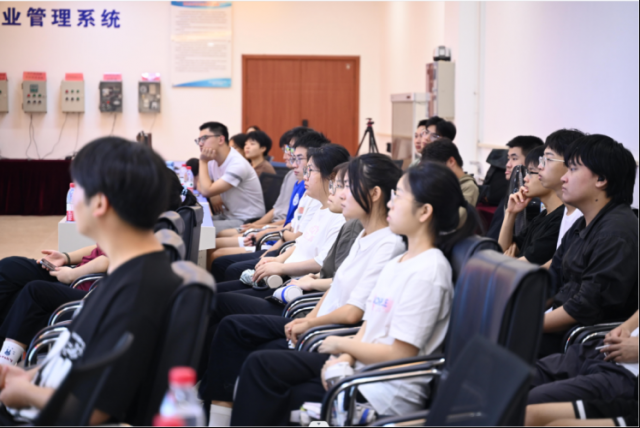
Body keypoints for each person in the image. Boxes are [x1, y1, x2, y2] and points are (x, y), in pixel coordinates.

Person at [226, 161, 478, 426]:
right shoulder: (399, 262)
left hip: (382, 394)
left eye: (399, 196)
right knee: (263, 368)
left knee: (269, 378)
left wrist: (341, 346)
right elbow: (368, 327)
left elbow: (400, 354)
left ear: (425, 211)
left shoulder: (429, 271)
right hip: (358, 373)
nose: (391, 203)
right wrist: (343, 359)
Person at [200, 154, 406, 426]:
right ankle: (213, 411)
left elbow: (355, 313)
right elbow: (336, 288)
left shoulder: (390, 245)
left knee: (251, 353)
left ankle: (215, 414)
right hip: (318, 321)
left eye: (346, 185)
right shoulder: (363, 235)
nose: (339, 193)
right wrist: (309, 319)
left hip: (331, 331)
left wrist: (313, 325)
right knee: (233, 330)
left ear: (375, 194)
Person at [0, 137, 182, 425]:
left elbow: (93, 410)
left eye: (78, 188)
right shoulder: (131, 271)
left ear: (99, 202)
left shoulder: (136, 292)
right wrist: (24, 377)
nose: (73, 196)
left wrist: (22, 392)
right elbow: (73, 356)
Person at [0, 168, 195, 367]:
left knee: (31, 292)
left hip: (86, 284)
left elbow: (109, 261)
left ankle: (5, 361)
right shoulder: (139, 218)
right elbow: (100, 248)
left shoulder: (149, 227)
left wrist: (72, 274)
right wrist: (65, 257)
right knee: (11, 267)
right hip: (79, 274)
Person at [540, 134, 638, 357]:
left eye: (573, 169)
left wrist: (525, 323)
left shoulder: (616, 233)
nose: (564, 178)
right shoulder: (582, 223)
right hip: (563, 330)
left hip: (584, 342)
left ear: (601, 179)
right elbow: (552, 281)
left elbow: (585, 307)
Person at [213, 144, 350, 294]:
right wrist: (277, 259)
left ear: (330, 176)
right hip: (284, 269)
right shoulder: (321, 207)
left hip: (292, 284)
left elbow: (321, 262)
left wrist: (281, 264)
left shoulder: (339, 217)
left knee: (223, 287)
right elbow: (299, 242)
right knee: (220, 285)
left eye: (310, 170)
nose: (305, 175)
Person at [209, 132, 327, 282]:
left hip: (279, 243)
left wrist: (265, 230)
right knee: (215, 244)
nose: (288, 157)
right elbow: (288, 223)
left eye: (296, 155)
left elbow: (296, 237)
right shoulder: (298, 183)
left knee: (218, 253)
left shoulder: (313, 194)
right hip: (277, 239)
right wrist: (261, 228)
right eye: (289, 150)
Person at [527, 310, 638, 408]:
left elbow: (584, 306)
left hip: (629, 377)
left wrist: (526, 324)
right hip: (605, 349)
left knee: (535, 399)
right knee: (523, 378)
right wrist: (625, 327)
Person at [498, 146, 564, 264]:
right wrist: (510, 213)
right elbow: (503, 250)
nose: (525, 179)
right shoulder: (543, 216)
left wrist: (510, 261)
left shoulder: (559, 219)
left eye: (531, 172)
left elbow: (522, 265)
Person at [197, 122, 266, 231]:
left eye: (204, 138)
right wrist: (214, 194)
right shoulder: (212, 159)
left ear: (221, 139)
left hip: (247, 220)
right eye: (199, 140)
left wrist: (202, 161)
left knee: (199, 230)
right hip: (228, 215)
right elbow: (199, 183)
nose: (200, 143)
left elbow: (206, 191)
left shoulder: (237, 164)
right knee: (194, 222)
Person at [486, 135, 544, 240]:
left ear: (531, 161)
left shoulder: (533, 202)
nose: (508, 164)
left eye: (514, 158)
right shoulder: (512, 193)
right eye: (508, 158)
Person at [538, 129, 586, 250]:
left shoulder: (583, 215)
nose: (540, 166)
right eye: (542, 159)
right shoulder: (567, 209)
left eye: (548, 159)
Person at [420, 138, 479, 205]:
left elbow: (459, 212)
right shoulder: (442, 183)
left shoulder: (468, 187)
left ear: (451, 161)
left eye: (436, 169)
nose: (434, 174)